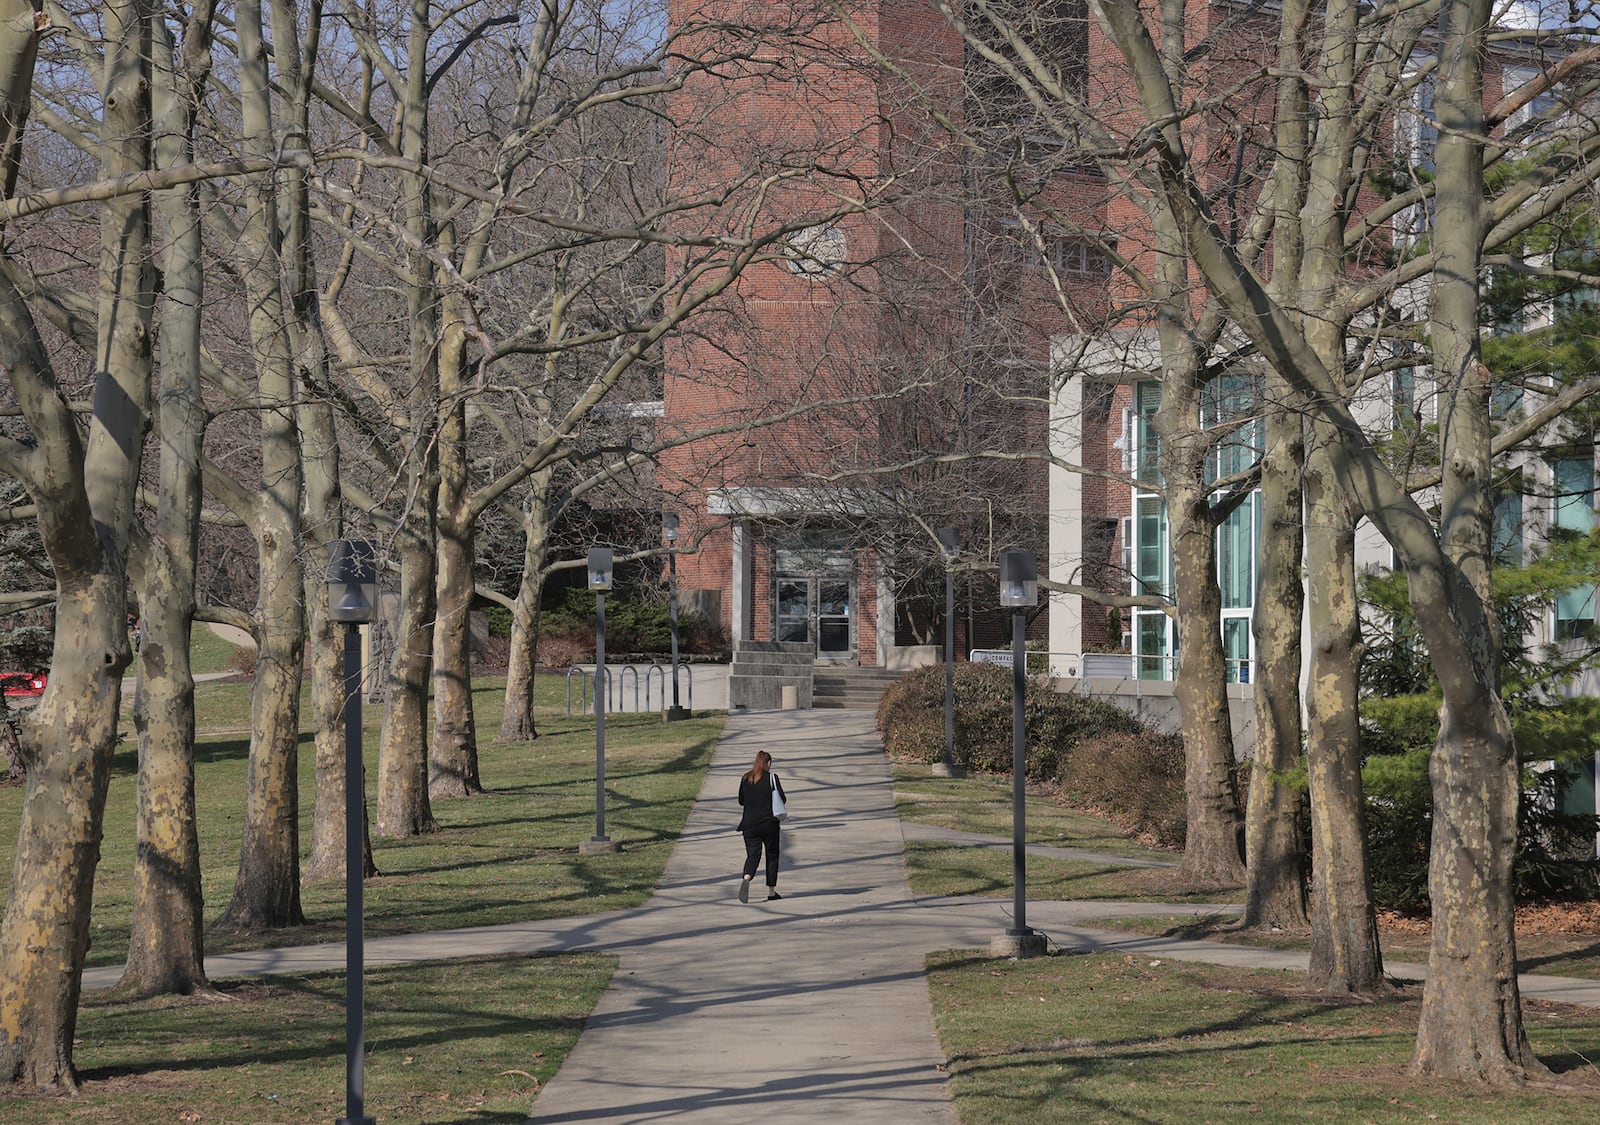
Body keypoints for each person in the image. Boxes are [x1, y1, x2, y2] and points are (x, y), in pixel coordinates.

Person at [736, 749, 786, 902]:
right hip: (769, 824)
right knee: (772, 856)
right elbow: (782, 799)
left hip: (749, 825)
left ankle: (747, 877)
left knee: (753, 855)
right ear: (768, 763)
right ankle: (771, 892)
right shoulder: (772, 778)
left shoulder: (746, 778)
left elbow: (741, 801)